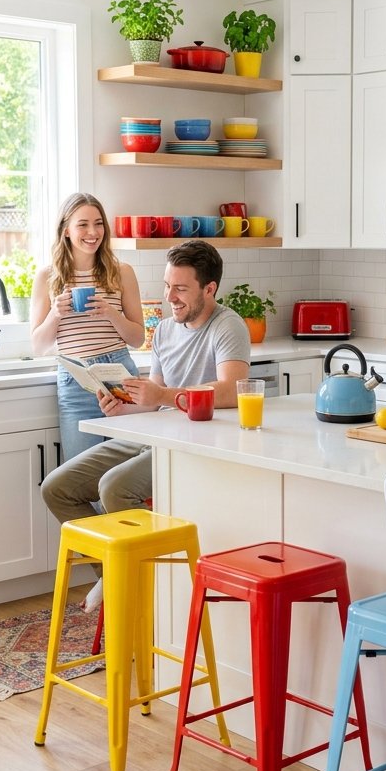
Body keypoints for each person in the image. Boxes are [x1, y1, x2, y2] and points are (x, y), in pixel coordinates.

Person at [40, 239, 251, 609]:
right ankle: (113, 573)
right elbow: (154, 399)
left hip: (196, 444)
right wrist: (123, 406)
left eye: (181, 288)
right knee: (57, 487)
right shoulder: (167, 330)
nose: (171, 296)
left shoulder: (227, 325)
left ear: (210, 288)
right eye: (168, 286)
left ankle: (143, 600)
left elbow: (232, 390)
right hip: (158, 433)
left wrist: (161, 397)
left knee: (114, 487)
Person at [30, 193, 145, 461]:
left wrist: (111, 314)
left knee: (126, 474)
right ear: (66, 230)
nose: (93, 232)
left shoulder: (122, 272)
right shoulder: (48, 277)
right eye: (82, 224)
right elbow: (38, 346)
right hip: (75, 379)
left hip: (120, 375)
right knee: (80, 478)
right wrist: (55, 314)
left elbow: (138, 338)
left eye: (98, 223)